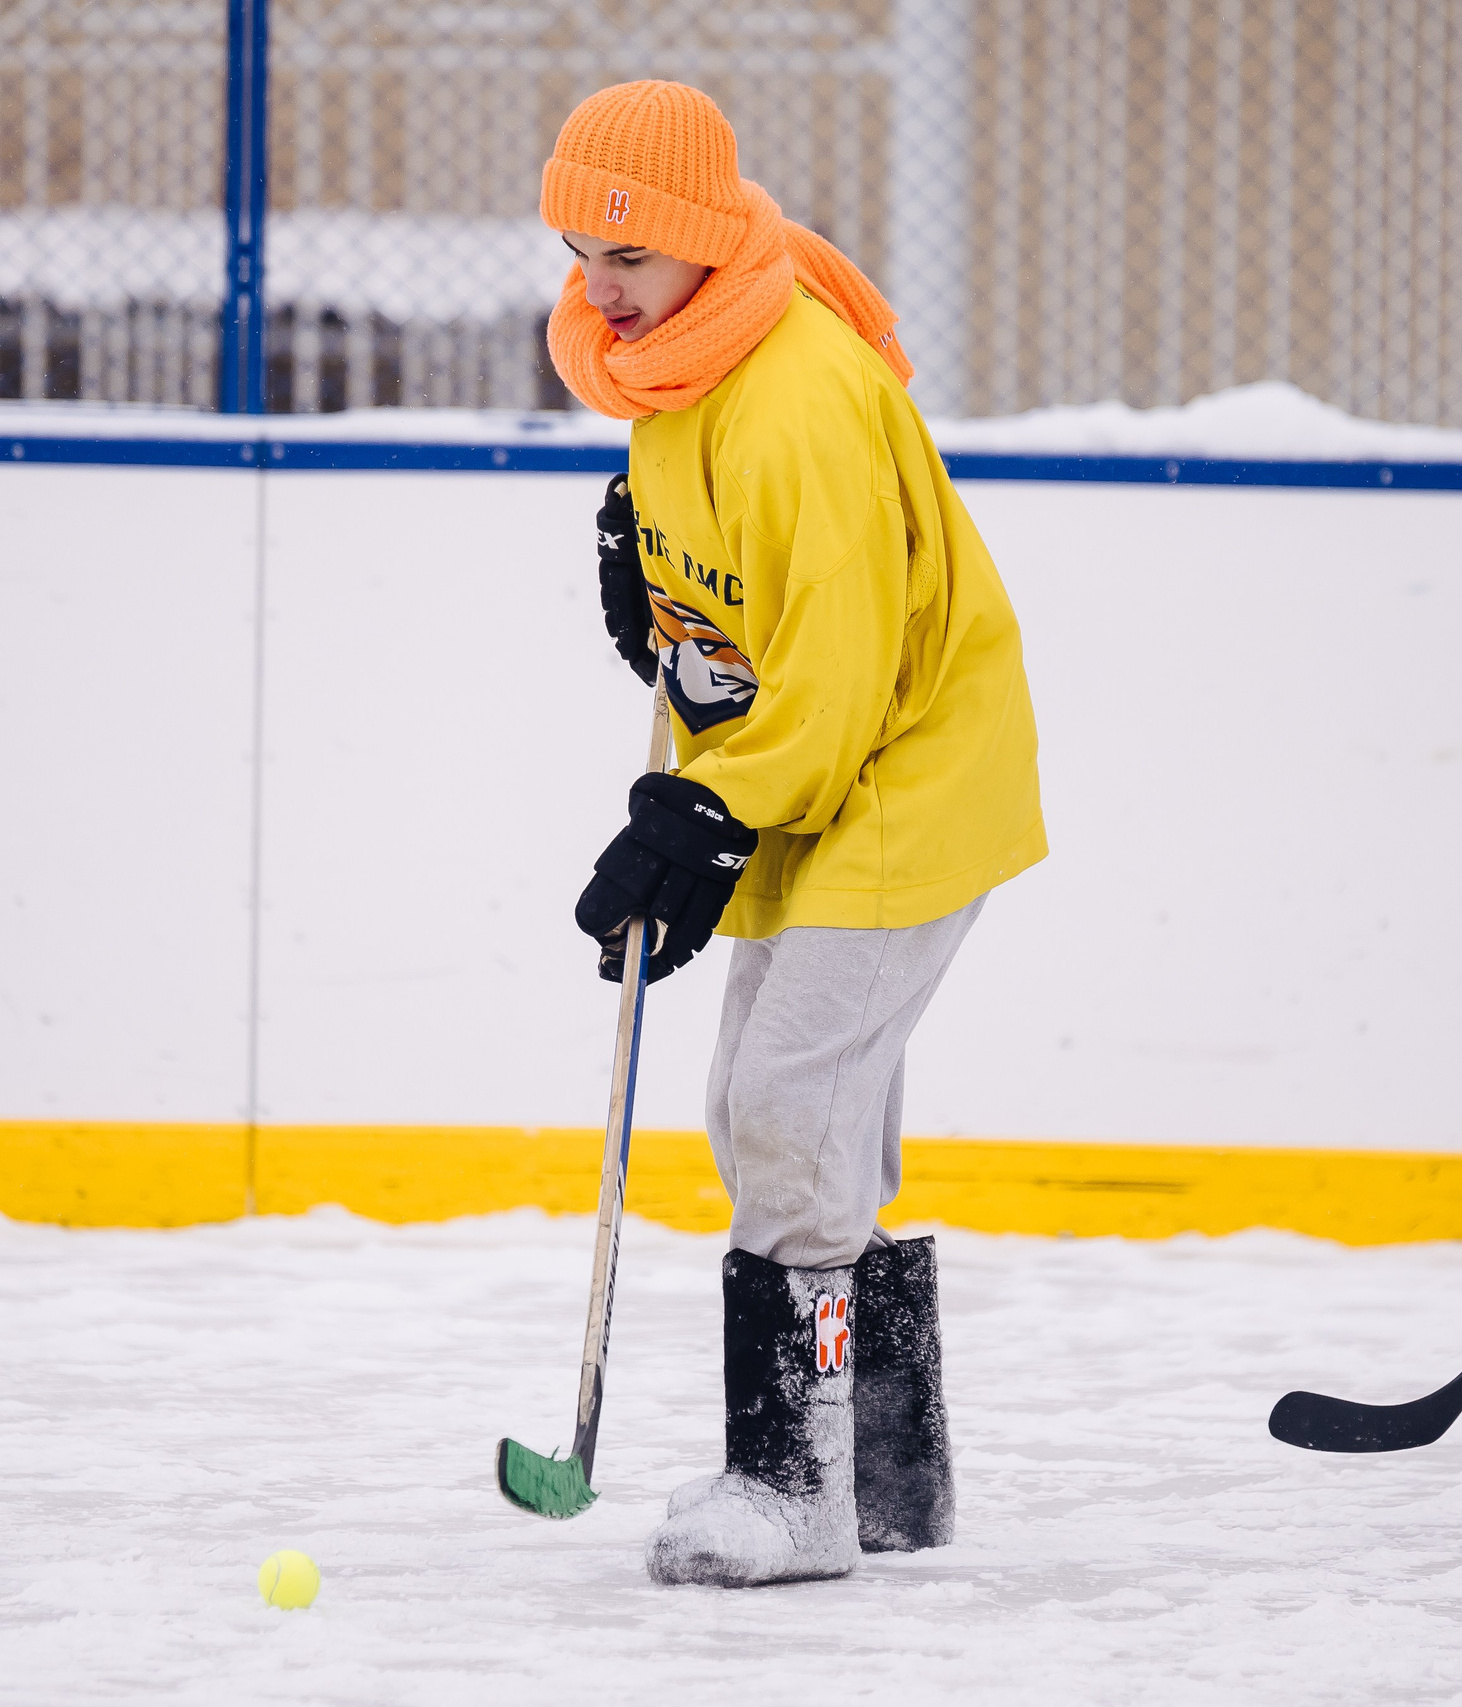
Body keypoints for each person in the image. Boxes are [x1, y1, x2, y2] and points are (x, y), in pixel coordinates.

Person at [540, 80, 1046, 1586]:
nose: (597, 285)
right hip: (809, 781)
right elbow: (742, 635)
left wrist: (698, 820)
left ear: (698, 240)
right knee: (783, 1103)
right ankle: (887, 1474)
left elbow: (833, 688)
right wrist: (668, 634)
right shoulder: (673, 375)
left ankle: (797, 1484)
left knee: (786, 1099)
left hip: (897, 778)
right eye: (577, 250)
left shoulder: (801, 398)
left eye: (624, 253)